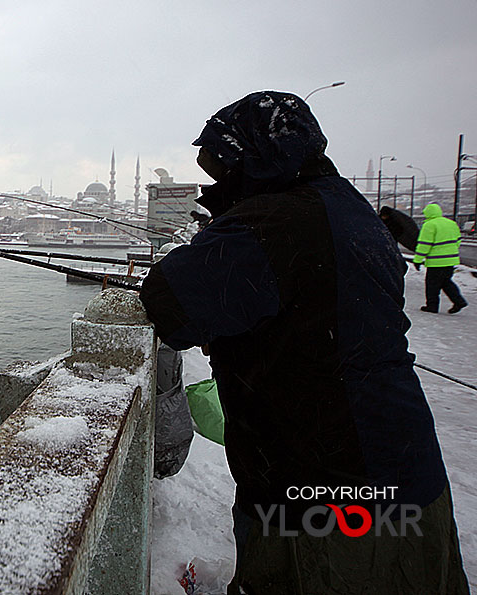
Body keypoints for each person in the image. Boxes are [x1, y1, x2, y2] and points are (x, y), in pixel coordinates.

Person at [139, 91, 468, 594]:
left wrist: (219, 234)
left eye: (223, 165)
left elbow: (170, 303)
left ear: (254, 157)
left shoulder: (275, 223)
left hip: (332, 492)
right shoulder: (343, 207)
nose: (217, 182)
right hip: (399, 468)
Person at [414, 202, 468, 314]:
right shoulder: (451, 223)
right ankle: (459, 301)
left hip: (436, 261)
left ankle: (432, 306)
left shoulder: (429, 225)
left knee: (432, 285)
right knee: (445, 282)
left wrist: (418, 260)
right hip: (451, 260)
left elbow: (424, 244)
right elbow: (458, 240)